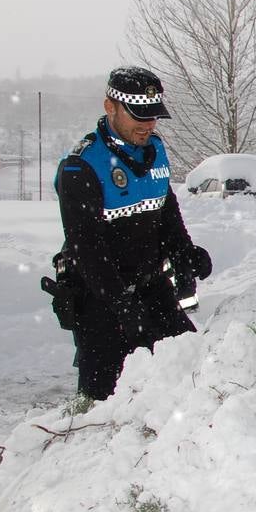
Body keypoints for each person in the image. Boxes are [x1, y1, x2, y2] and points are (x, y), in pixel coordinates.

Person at [52, 66, 212, 401]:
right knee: (106, 402)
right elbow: (88, 250)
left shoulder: (153, 151)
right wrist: (123, 306)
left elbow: (165, 210)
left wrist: (184, 252)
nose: (148, 125)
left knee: (194, 371)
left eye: (154, 116)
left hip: (151, 287)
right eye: (139, 116)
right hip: (100, 298)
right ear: (110, 106)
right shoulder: (81, 167)